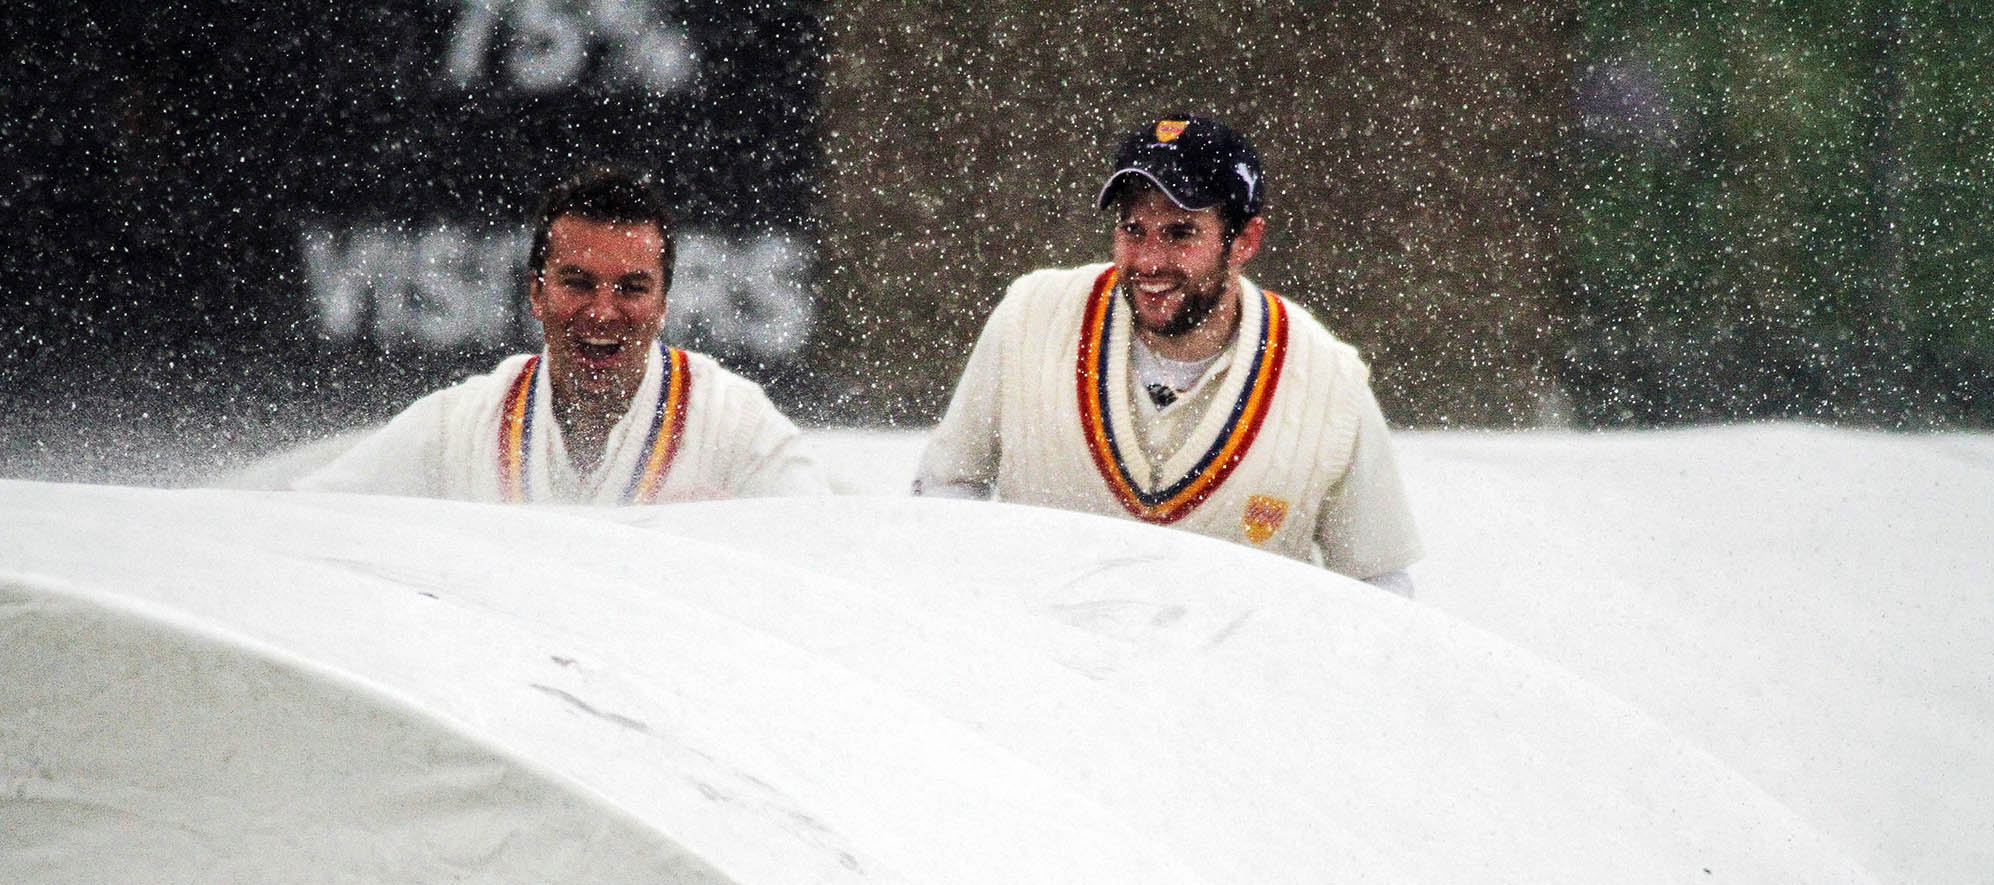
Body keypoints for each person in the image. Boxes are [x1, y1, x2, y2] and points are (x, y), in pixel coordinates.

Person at [918, 117, 1420, 593]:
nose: (1150, 260)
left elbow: (1378, 584)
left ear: (1245, 239)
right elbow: (946, 492)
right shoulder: (1031, 318)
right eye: (1133, 229)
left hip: (1221, 677)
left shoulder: (1328, 379)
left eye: (1181, 233)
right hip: (1048, 671)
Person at [296, 164, 822, 503]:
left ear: (663, 305)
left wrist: (729, 541)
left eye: (632, 288)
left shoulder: (736, 426)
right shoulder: (458, 427)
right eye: (578, 283)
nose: (601, 312)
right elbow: (301, 525)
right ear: (535, 293)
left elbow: (824, 561)